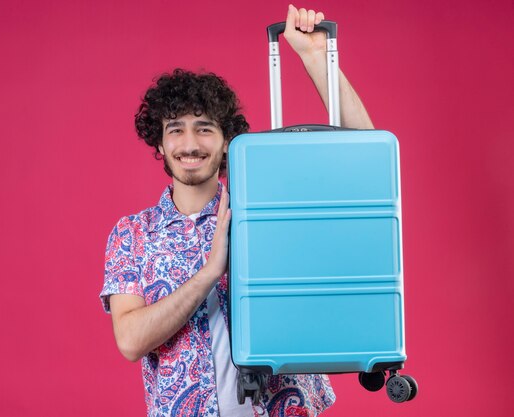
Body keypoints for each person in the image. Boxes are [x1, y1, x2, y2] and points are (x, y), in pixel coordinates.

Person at [100, 5, 374, 417]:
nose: (190, 143)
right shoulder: (132, 234)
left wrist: (314, 56)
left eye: (205, 128)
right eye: (176, 130)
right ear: (159, 143)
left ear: (227, 141)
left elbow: (366, 157)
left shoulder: (265, 203)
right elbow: (130, 339)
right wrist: (211, 271)